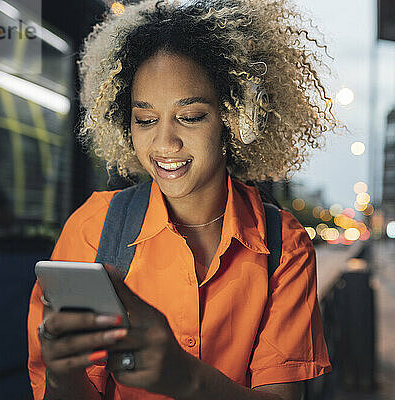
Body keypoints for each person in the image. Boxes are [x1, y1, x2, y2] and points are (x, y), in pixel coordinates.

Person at [27, 0, 337, 398]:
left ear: (235, 117)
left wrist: (185, 377)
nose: (164, 143)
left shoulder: (284, 244)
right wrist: (63, 373)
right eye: (145, 119)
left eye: (190, 117)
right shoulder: (92, 229)